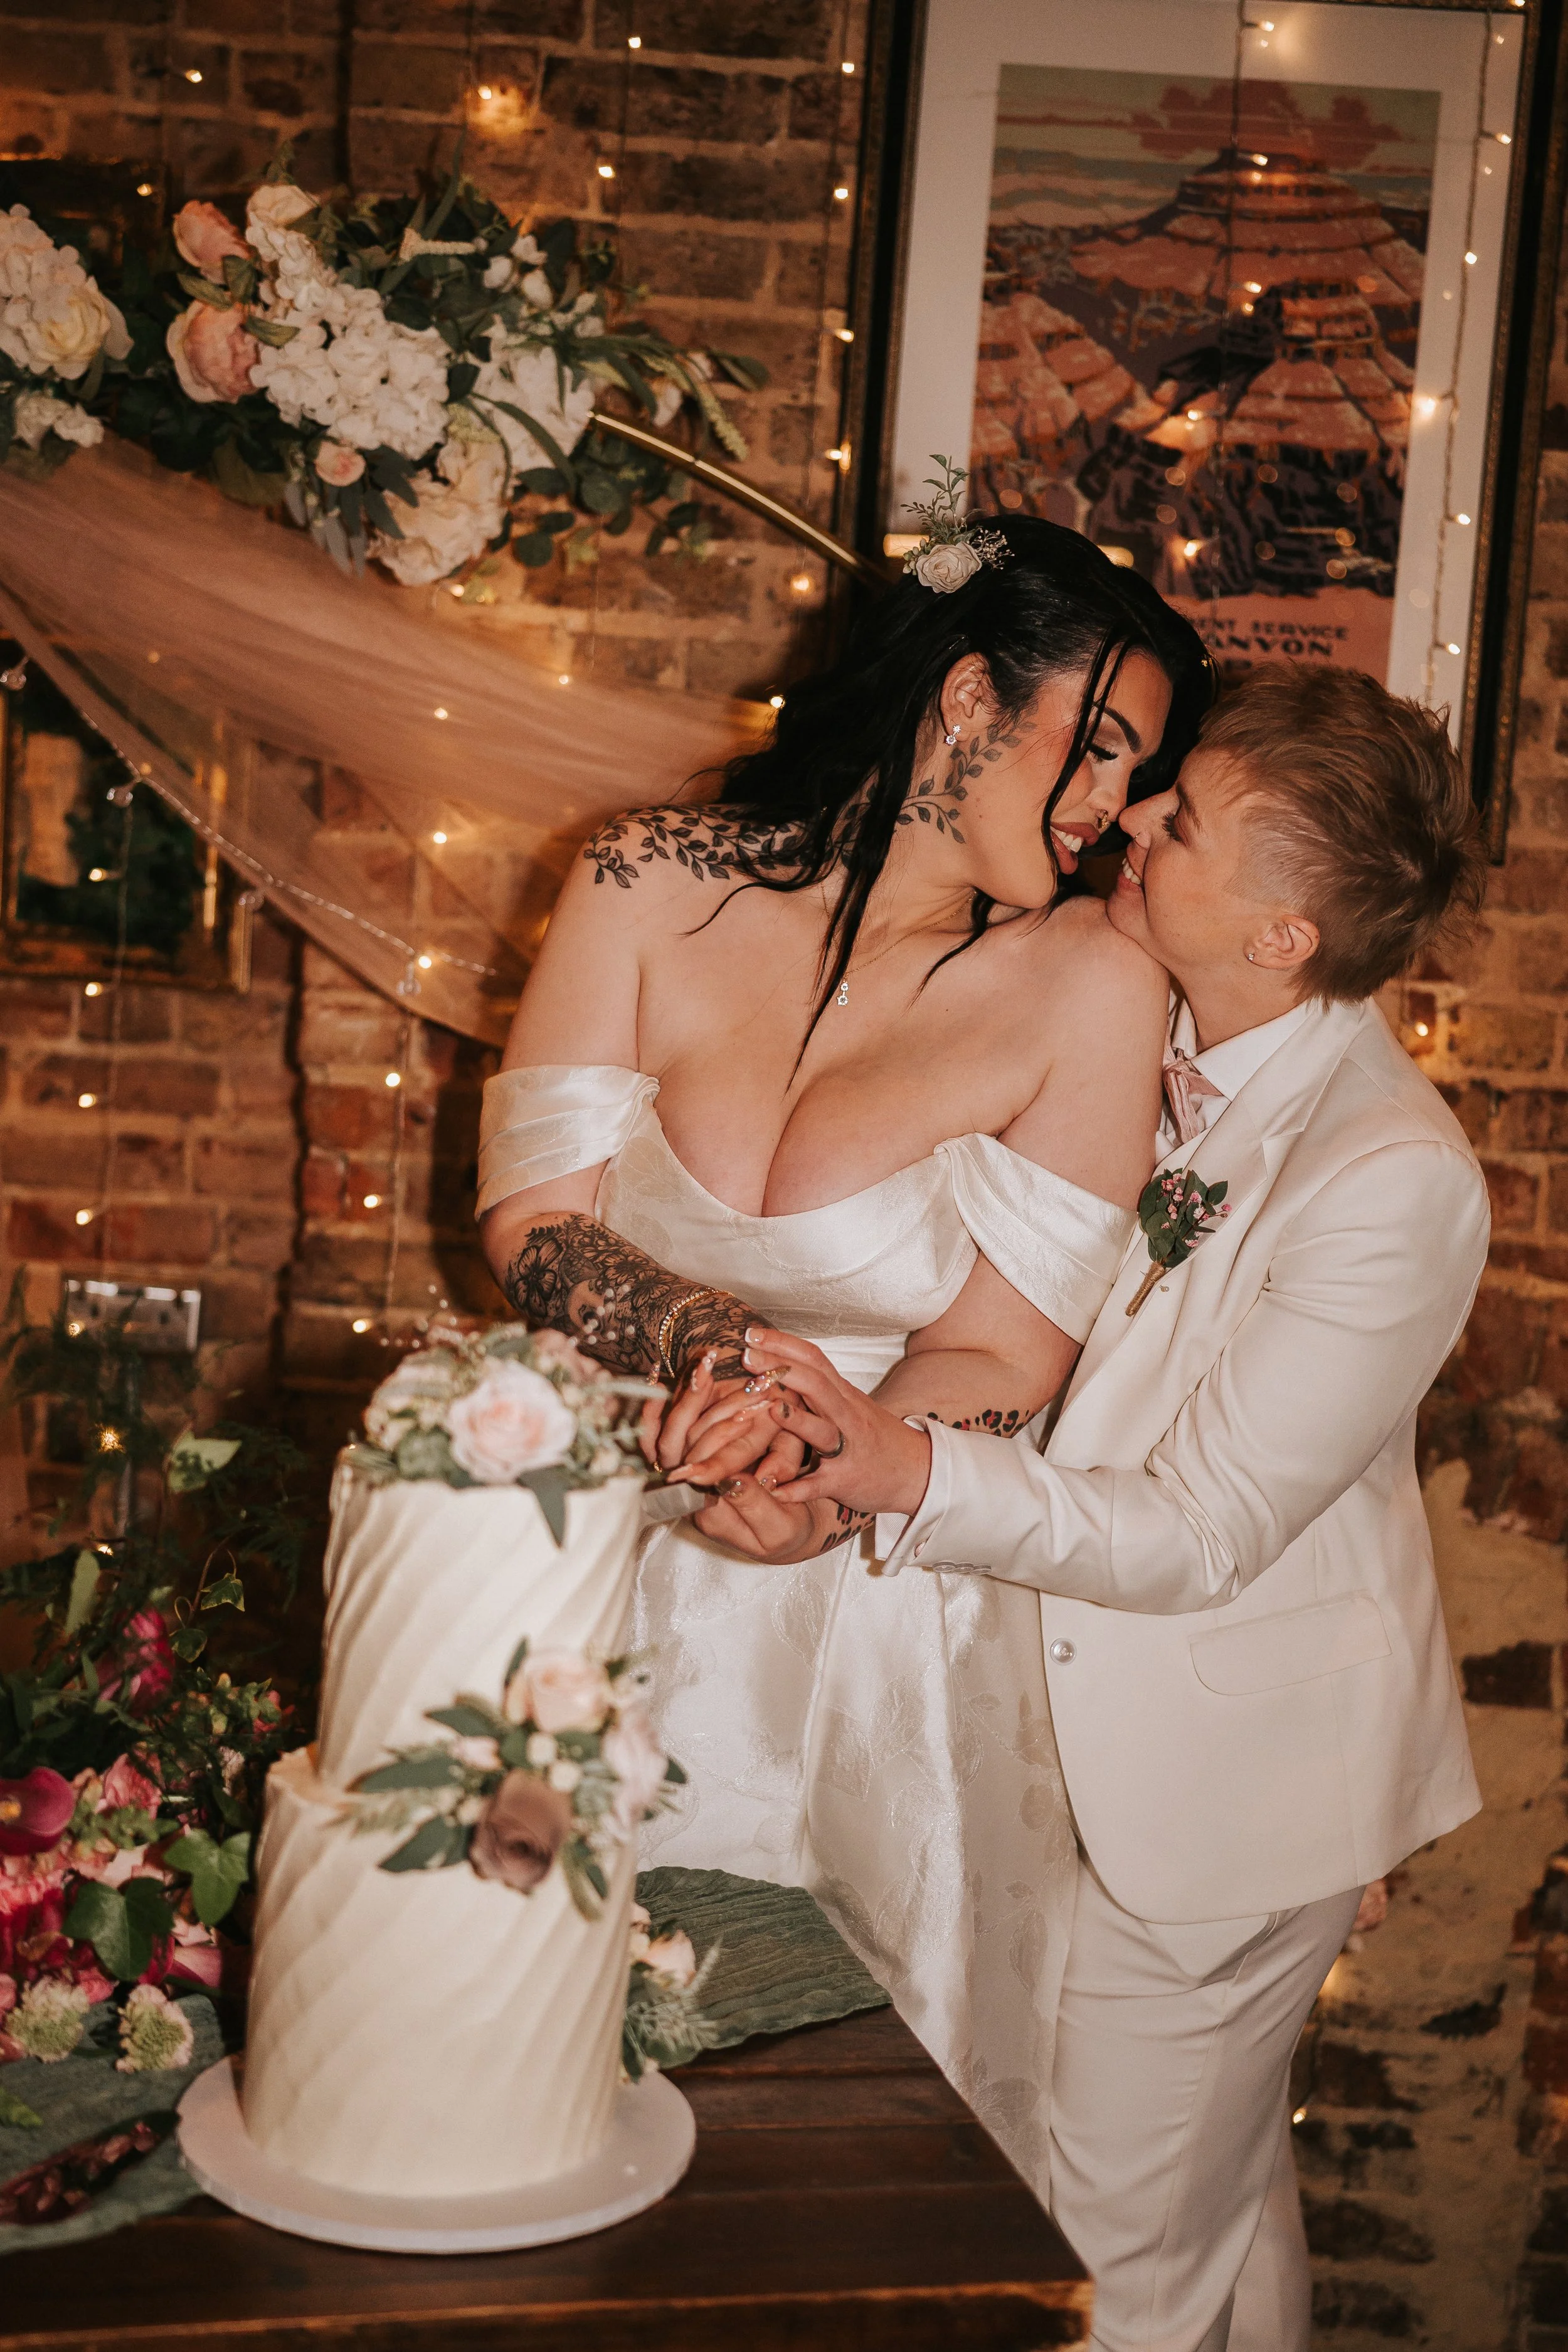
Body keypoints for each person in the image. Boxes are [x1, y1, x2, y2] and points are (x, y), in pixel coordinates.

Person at [710, 662, 1490, 2351]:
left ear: (1284, 936)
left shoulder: (1391, 1183)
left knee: (1102, 2254)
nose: (1134, 815)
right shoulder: (1158, 1027)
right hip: (1053, 1726)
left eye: (1184, 821)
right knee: (1211, 2197)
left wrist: (903, 1468)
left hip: (1209, 1796)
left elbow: (1198, 1530)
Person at [477, 497, 1213, 2190]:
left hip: (872, 1615)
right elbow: (535, 1214)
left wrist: (815, 1476)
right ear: (963, 698)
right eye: (1093, 746)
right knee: (520, 2080)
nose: (1112, 808)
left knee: (828, 2164)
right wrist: (719, 1350)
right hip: (582, 1551)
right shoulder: (643, 880)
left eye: (1131, 771)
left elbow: (1003, 1352)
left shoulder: (1092, 988)